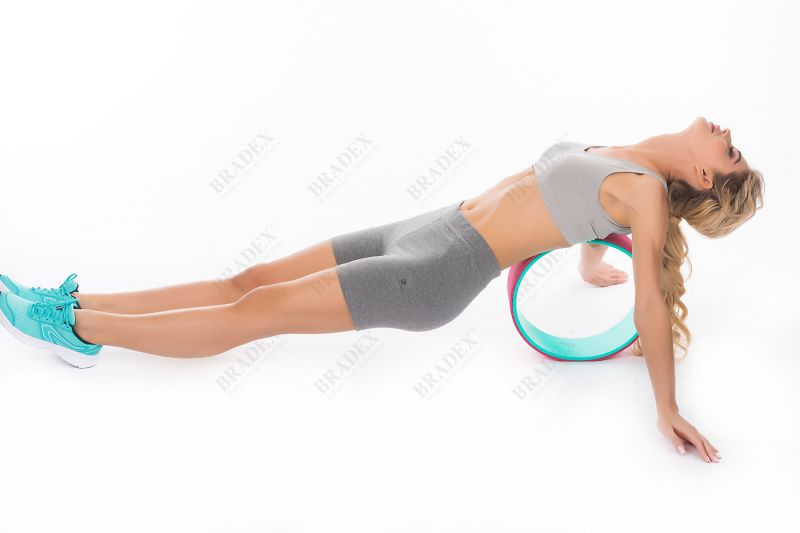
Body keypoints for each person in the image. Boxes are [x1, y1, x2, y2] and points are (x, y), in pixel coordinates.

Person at [0, 116, 764, 462]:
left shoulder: (648, 193)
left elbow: (651, 302)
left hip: (433, 272)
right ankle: (79, 304)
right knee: (247, 279)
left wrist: (666, 406)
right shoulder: (630, 165)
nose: (725, 131)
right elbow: (587, 210)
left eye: (728, 152)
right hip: (430, 224)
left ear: (703, 176)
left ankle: (77, 329)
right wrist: (591, 263)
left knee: (254, 311)